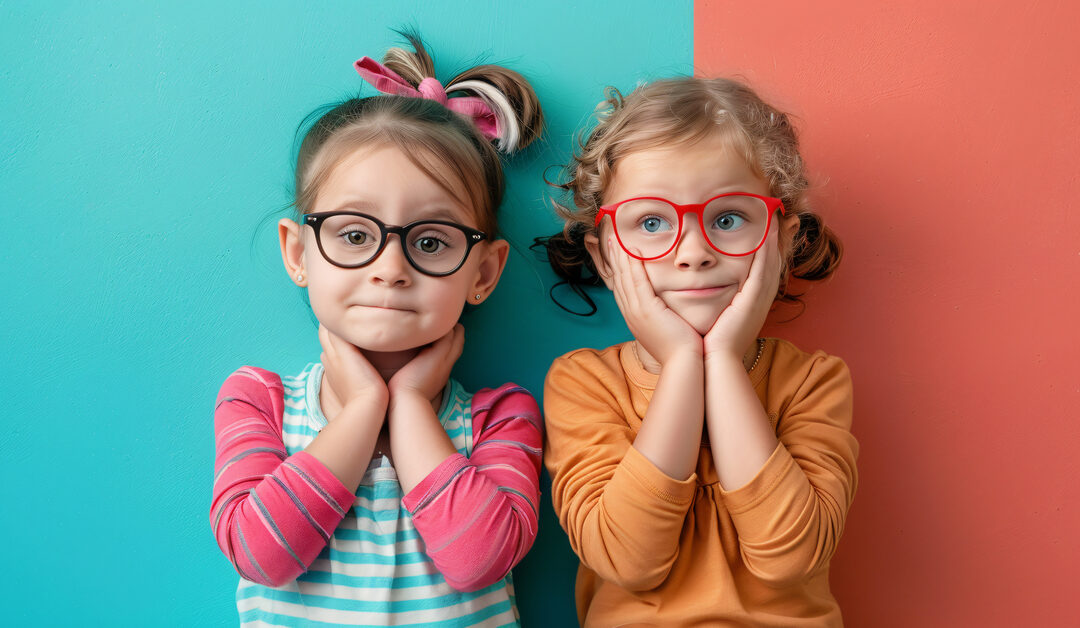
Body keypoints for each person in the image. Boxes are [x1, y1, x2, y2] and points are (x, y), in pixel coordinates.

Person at [210, 34, 545, 627]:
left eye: (432, 242)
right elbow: (260, 556)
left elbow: (479, 561)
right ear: (297, 253)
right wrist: (365, 406)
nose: (390, 269)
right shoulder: (256, 400)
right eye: (355, 235)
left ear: (484, 272)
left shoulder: (502, 416)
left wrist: (411, 404)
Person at [538, 77, 859, 626]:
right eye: (652, 222)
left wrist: (724, 364)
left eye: (728, 219)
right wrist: (685, 363)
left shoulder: (813, 381)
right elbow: (628, 561)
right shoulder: (582, 383)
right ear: (606, 257)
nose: (693, 253)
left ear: (781, 241)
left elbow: (791, 558)